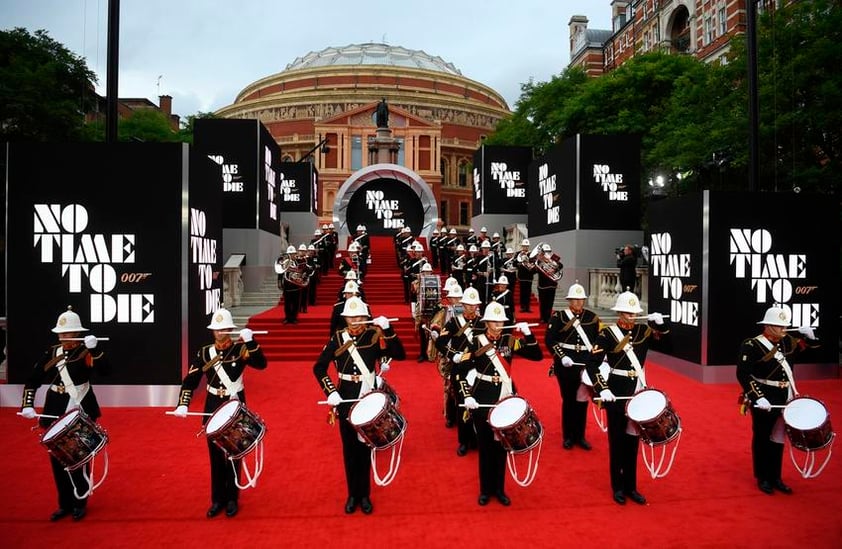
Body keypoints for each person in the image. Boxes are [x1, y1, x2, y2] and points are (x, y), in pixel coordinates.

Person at [313, 297, 406, 514]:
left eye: (359, 317)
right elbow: (318, 368)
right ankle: (352, 495)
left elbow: (399, 354)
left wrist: (388, 329)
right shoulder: (337, 339)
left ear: (366, 318)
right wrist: (331, 391)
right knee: (349, 451)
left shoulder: (374, 336)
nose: (355, 321)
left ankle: (364, 495)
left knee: (365, 450)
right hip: (345, 401)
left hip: (368, 400)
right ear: (345, 319)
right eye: (351, 317)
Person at [171, 308, 267, 518]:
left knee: (234, 453)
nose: (221, 333)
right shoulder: (205, 353)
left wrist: (251, 343)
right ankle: (217, 499)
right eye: (217, 329)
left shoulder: (240, 350)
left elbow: (261, 364)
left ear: (230, 329)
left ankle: (233, 498)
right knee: (215, 456)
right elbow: (190, 380)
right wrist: (183, 403)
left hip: (234, 405)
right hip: (212, 406)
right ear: (213, 331)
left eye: (224, 329)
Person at [20, 306, 111, 522]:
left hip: (81, 407)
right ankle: (64, 503)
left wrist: (96, 350)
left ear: (77, 333)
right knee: (57, 459)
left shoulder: (86, 351)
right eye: (60, 334)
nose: (63, 338)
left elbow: (105, 371)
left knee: (78, 457)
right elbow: (32, 380)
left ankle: (80, 501)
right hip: (55, 409)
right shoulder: (52, 353)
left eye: (68, 333)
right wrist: (27, 404)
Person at [585, 291, 669, 505]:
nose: (631, 315)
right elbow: (592, 363)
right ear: (620, 312)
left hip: (637, 393)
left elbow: (668, 346)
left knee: (633, 442)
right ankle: (618, 486)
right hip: (615, 392)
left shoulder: (644, 330)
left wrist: (660, 326)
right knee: (617, 441)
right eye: (627, 312)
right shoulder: (607, 334)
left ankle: (631, 486)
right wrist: (601, 388)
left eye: (634, 312)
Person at [458, 301, 543, 506]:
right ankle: (486, 490)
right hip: (482, 399)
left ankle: (500, 489)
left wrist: (528, 335)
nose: (498, 324)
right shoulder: (476, 342)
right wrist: (467, 396)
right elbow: (460, 371)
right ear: (486, 322)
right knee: (486, 447)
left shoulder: (509, 340)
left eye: (501, 320)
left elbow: (537, 356)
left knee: (503, 446)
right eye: (494, 320)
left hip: (504, 399)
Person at [736, 306, 819, 495]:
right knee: (763, 436)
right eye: (779, 326)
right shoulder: (752, 345)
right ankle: (763, 477)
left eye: (784, 326)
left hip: (785, 396)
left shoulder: (789, 342)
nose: (784, 329)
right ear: (768, 326)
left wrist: (811, 338)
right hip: (765, 396)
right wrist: (758, 396)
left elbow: (812, 353)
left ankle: (776, 477)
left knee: (779, 438)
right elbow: (742, 373)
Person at [545, 282, 600, 450]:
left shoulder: (592, 318)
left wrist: (595, 363)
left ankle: (580, 436)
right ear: (569, 300)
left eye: (580, 300)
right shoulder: (559, 317)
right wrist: (561, 356)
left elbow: (597, 342)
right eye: (574, 300)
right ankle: (568, 436)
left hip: (584, 366)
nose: (577, 303)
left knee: (582, 402)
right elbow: (550, 339)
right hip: (566, 366)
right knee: (569, 401)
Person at [435, 286, 484, 456]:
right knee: (462, 404)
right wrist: (452, 354)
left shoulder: (484, 323)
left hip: (478, 369)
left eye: (474, 304)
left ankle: (478, 438)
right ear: (462, 304)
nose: (471, 307)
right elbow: (440, 342)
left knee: (478, 405)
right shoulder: (453, 322)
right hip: (460, 369)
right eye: (468, 304)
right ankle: (463, 441)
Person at [535, 243, 562, 323]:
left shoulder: (553, 258)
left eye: (548, 251)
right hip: (542, 285)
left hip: (551, 285)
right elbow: (535, 270)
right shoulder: (539, 261)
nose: (547, 253)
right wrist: (540, 260)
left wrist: (554, 269)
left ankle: (548, 317)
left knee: (550, 302)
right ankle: (543, 318)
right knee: (543, 302)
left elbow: (561, 265)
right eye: (545, 252)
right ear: (542, 252)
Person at [515, 239, 535, 313]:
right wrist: (518, 264)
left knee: (528, 292)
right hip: (522, 275)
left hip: (529, 276)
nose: (525, 248)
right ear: (522, 246)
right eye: (524, 246)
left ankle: (527, 307)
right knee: (522, 292)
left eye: (526, 246)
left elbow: (534, 263)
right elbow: (515, 263)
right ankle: (523, 307)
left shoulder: (531, 254)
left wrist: (530, 265)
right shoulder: (518, 254)